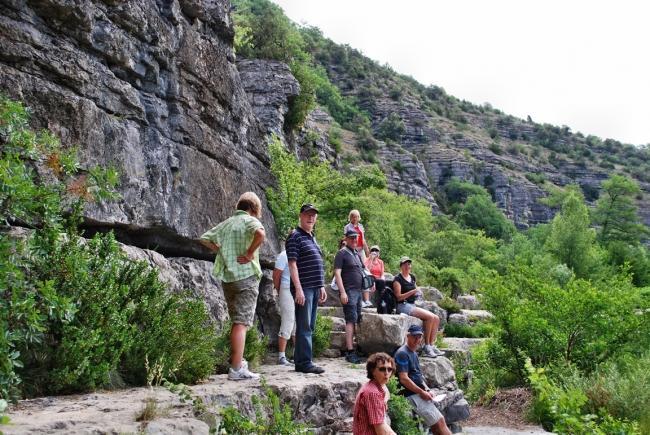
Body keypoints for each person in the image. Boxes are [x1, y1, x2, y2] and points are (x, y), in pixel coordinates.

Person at [199, 192, 266, 380]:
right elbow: (261, 233)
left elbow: (204, 238)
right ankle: (236, 369)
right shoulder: (248, 220)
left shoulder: (227, 223)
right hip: (246, 276)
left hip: (228, 279)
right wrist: (250, 253)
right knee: (241, 323)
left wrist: (220, 250)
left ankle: (238, 361)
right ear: (253, 209)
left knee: (236, 321)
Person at [286, 203, 328, 374]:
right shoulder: (295, 236)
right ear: (300, 216)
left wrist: (321, 286)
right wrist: (298, 289)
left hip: (314, 287)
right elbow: (292, 264)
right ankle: (304, 363)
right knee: (304, 326)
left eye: (313, 215)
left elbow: (317, 264)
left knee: (309, 325)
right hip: (304, 288)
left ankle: (302, 360)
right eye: (307, 214)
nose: (311, 217)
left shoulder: (311, 237)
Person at [395, 325, 452, 435]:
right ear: (408, 336)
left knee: (436, 426)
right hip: (410, 395)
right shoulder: (402, 353)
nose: (417, 340)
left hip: (418, 393)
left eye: (419, 337)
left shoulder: (414, 353)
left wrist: (427, 389)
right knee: (440, 422)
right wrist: (421, 392)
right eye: (414, 337)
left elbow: (418, 376)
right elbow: (404, 379)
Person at [392, 256, 443, 358]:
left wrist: (418, 293)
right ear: (401, 266)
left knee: (436, 318)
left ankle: (431, 345)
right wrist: (412, 292)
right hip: (403, 305)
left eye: (409, 264)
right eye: (405, 264)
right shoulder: (397, 279)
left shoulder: (412, 277)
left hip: (412, 304)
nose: (407, 266)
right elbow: (398, 297)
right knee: (429, 317)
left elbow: (416, 290)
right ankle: (426, 347)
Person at [334, 230, 365, 364]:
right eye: (351, 238)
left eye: (355, 238)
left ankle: (355, 348)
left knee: (357, 319)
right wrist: (342, 292)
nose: (354, 240)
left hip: (358, 291)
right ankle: (350, 351)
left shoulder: (356, 253)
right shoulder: (341, 253)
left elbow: (363, 269)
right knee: (350, 320)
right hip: (349, 290)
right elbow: (337, 273)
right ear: (346, 238)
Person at [353, 352, 397, 435]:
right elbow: (381, 430)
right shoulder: (373, 393)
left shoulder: (375, 385)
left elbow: (385, 390)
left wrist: (384, 400)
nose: (387, 373)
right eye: (382, 369)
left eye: (389, 369)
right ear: (373, 371)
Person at [273, 229, 295, 366]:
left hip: (298, 291)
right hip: (286, 289)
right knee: (287, 320)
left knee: (297, 323)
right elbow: (276, 275)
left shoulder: (299, 255)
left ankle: (297, 355)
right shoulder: (284, 255)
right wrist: (280, 289)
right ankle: (281, 356)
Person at [344, 210, 372, 307]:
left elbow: (363, 239)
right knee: (356, 272)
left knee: (365, 272)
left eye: (357, 216)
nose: (355, 218)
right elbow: (346, 239)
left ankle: (367, 299)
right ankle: (359, 300)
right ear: (350, 217)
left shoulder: (360, 226)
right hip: (352, 250)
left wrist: (367, 250)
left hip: (361, 251)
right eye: (353, 216)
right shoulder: (347, 227)